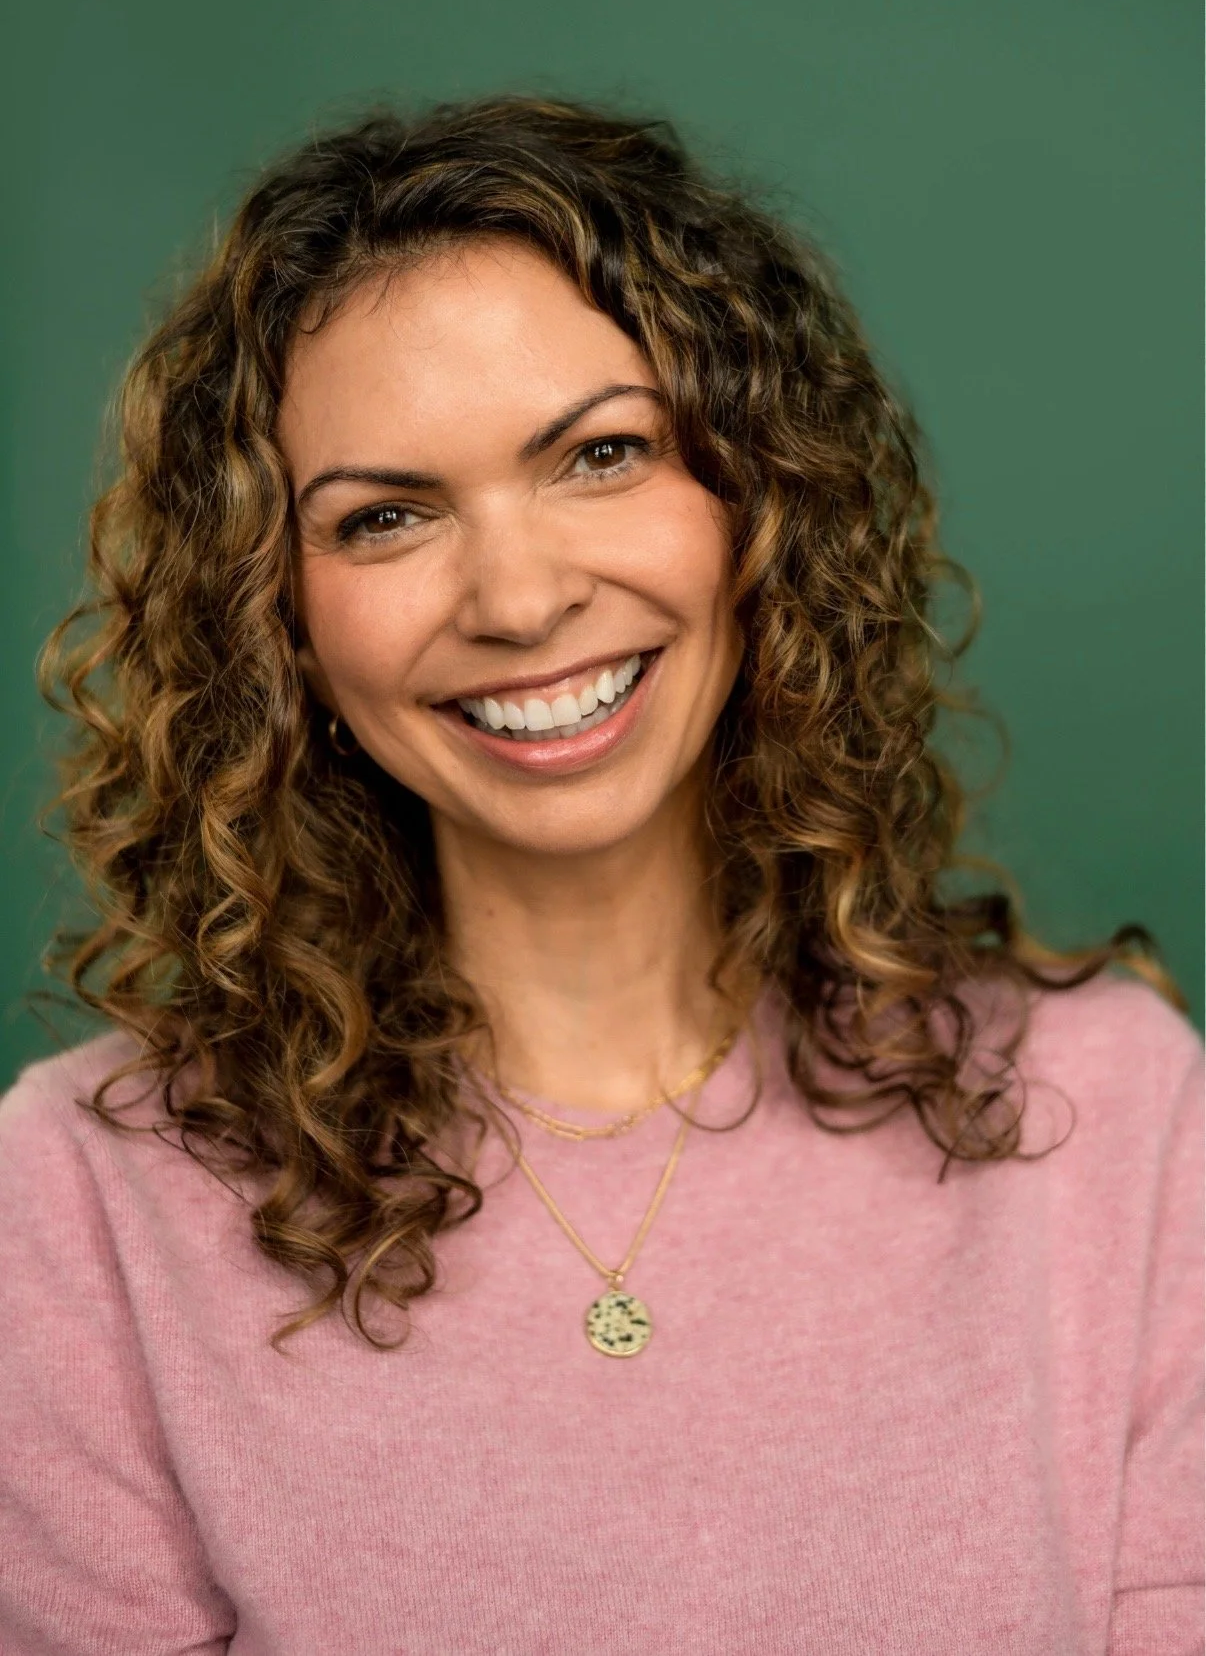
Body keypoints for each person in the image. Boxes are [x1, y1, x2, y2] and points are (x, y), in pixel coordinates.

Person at [0, 97, 1199, 1656]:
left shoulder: (1121, 1121)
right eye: (385, 517)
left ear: (757, 498)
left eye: (601, 455)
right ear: (273, 621)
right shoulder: (81, 1205)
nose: (517, 596)